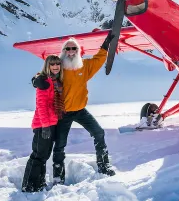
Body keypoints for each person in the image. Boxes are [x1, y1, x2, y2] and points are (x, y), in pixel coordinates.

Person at [32, 31, 115, 184]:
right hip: (63, 113)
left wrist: (106, 44)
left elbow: (99, 59)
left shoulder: (85, 66)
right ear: (63, 51)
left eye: (74, 49)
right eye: (67, 49)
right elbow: (45, 72)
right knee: (60, 146)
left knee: (99, 133)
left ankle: (104, 166)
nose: (70, 52)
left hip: (81, 110)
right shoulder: (59, 67)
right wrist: (36, 79)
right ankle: (58, 177)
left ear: (78, 51)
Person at [22, 55, 65, 192]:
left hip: (51, 123)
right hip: (43, 124)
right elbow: (41, 105)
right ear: (47, 66)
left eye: (57, 64)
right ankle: (28, 186)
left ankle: (39, 184)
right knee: (38, 155)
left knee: (44, 156)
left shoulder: (55, 81)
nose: (55, 66)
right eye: (52, 64)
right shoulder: (44, 81)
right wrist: (45, 125)